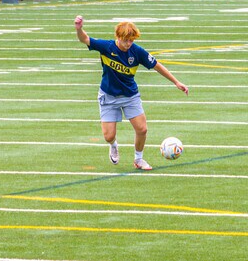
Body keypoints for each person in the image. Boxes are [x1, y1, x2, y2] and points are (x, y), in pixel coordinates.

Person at [75, 15, 188, 170]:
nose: (128, 44)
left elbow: (156, 65)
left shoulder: (137, 51)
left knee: (142, 129)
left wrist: (176, 82)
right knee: (108, 136)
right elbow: (85, 39)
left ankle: (139, 159)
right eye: (125, 40)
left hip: (130, 96)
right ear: (118, 37)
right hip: (108, 96)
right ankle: (113, 145)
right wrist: (79, 29)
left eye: (131, 40)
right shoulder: (106, 47)